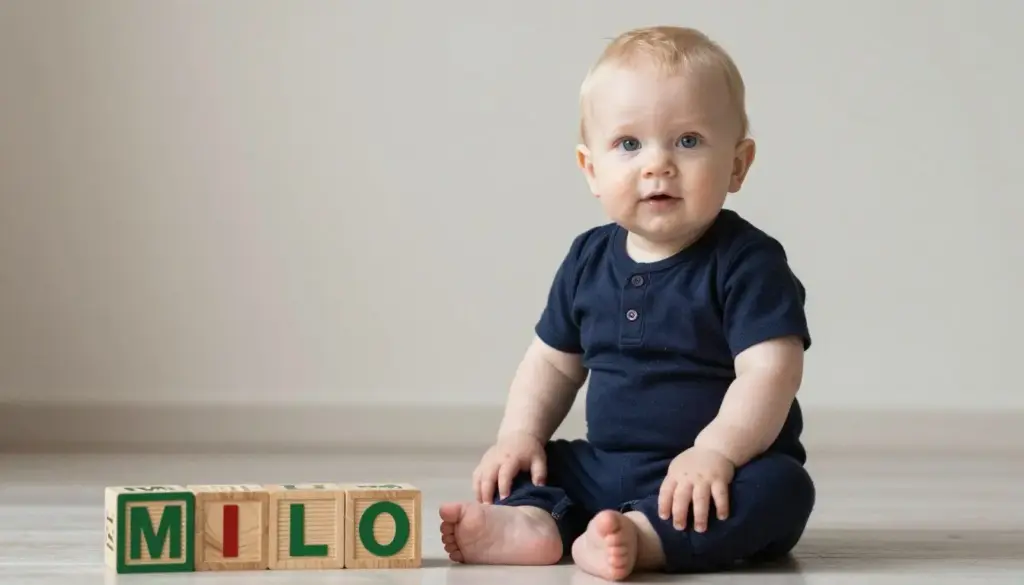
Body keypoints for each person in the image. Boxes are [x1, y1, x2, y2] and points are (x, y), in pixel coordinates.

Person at [439, 25, 815, 581]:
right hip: (606, 466)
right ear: (591, 168)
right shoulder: (588, 259)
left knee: (783, 489)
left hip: (717, 474)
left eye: (688, 141)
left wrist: (715, 451)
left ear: (738, 165)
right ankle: (536, 525)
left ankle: (645, 538)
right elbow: (550, 362)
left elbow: (772, 373)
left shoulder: (747, 261)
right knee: (536, 463)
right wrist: (517, 435)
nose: (657, 164)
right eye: (629, 144)